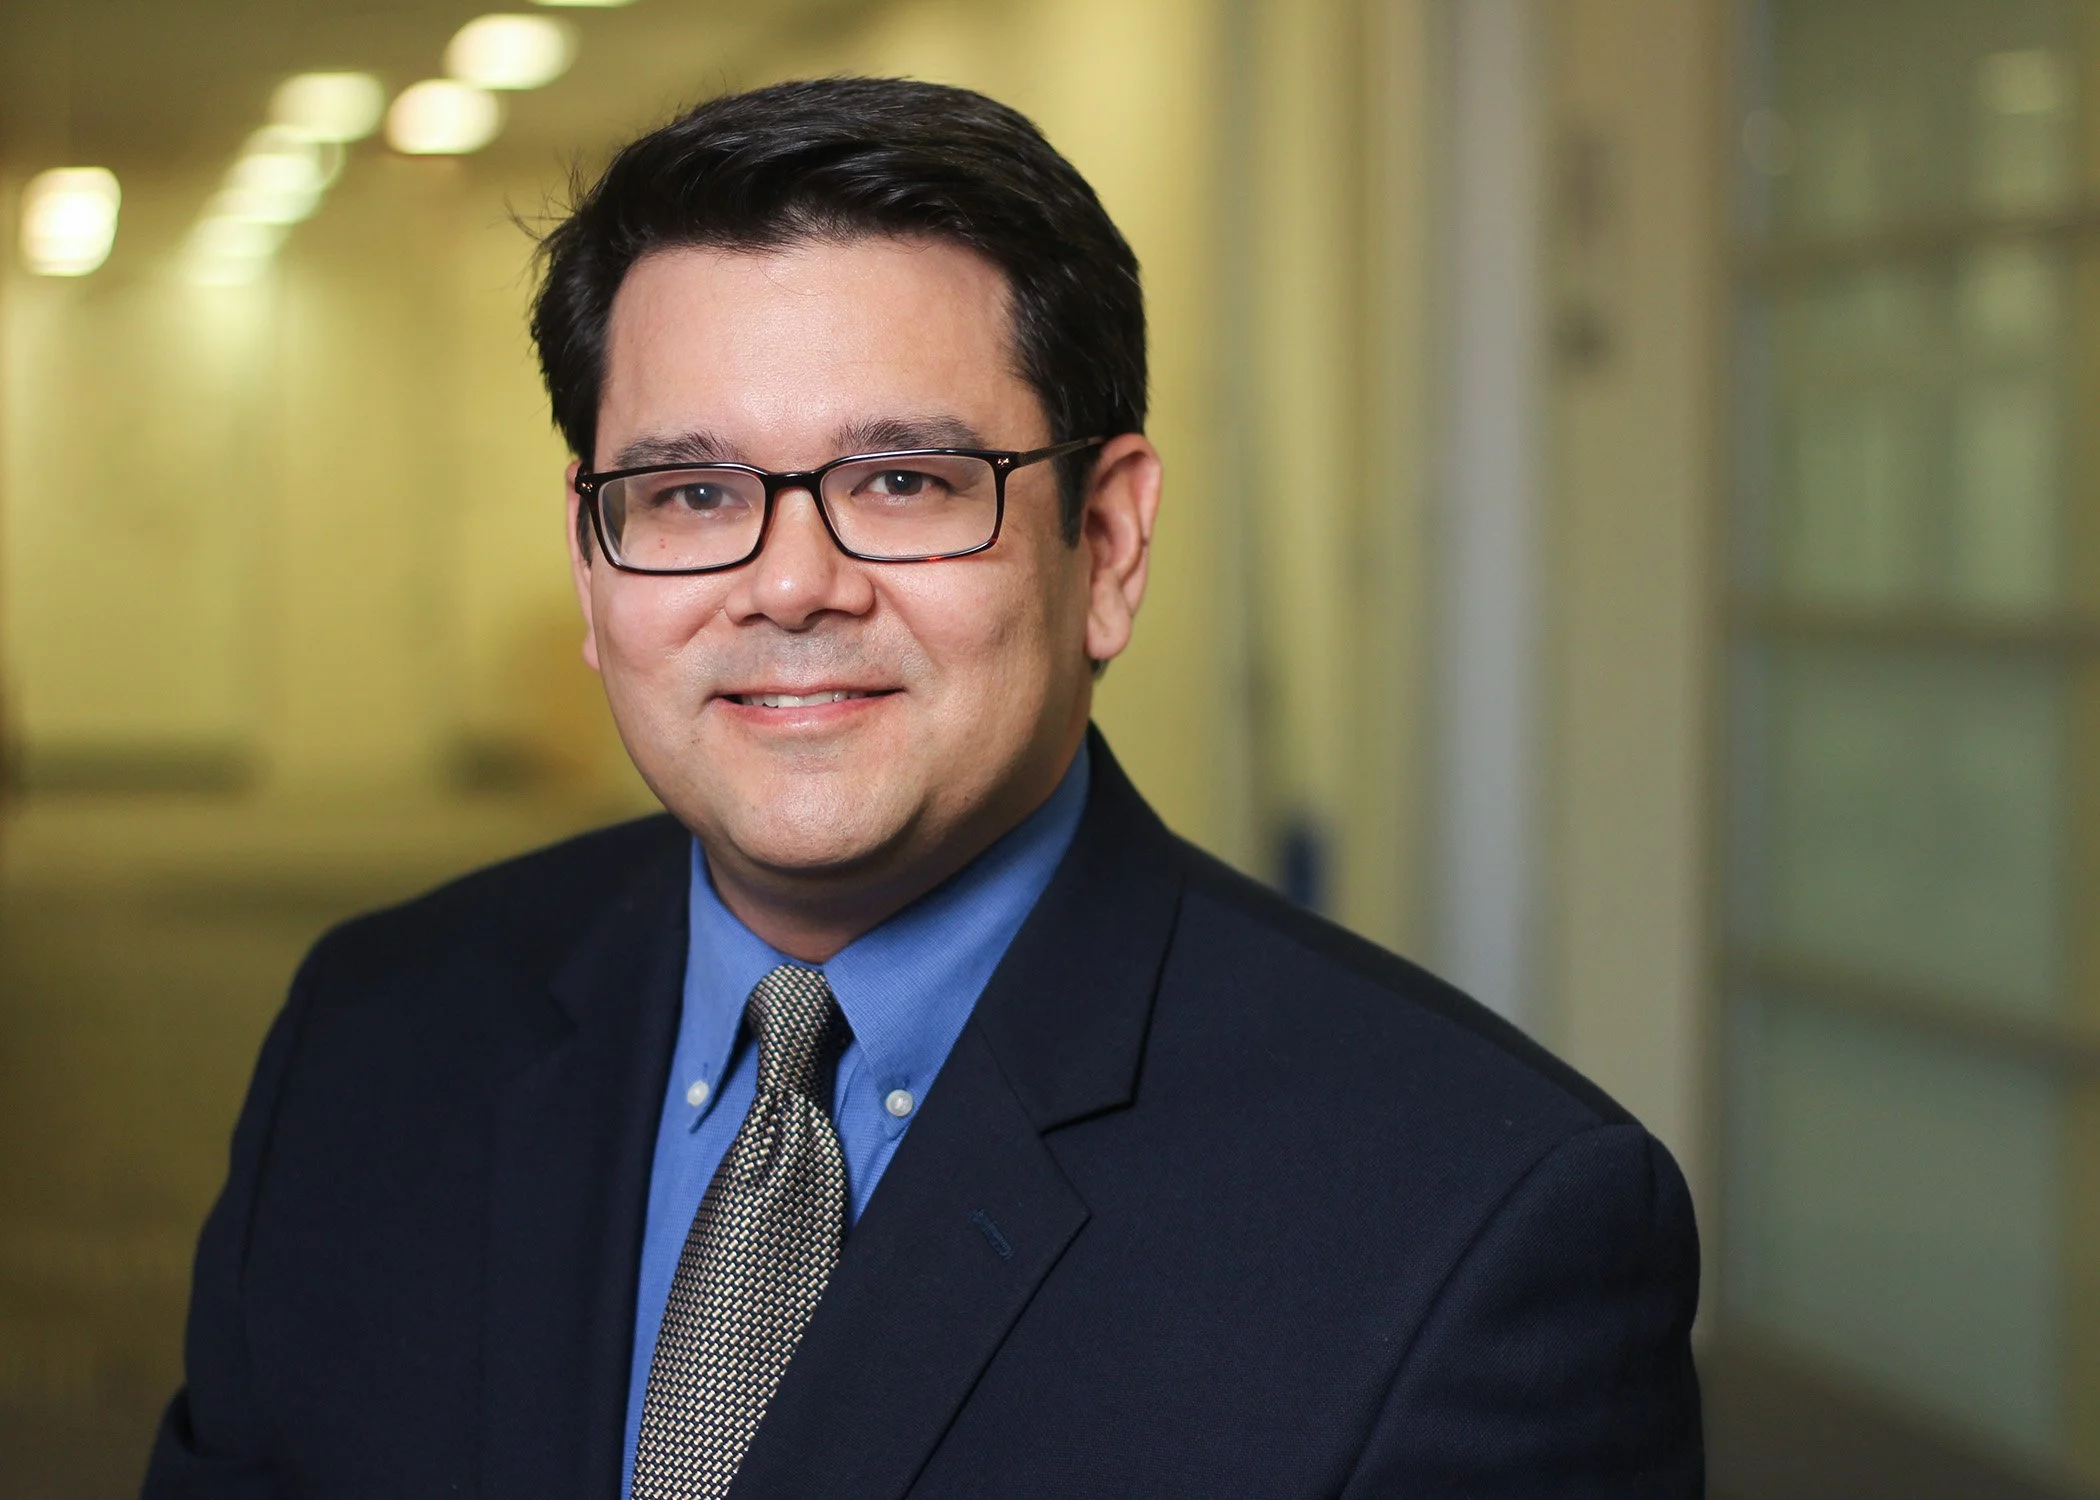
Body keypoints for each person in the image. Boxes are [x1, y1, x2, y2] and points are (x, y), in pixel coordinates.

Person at [144, 77, 1702, 1500]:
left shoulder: (1472, 1225)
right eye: (691, 493)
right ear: (591, 556)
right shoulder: (370, 1041)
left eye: (905, 481)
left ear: (1109, 544)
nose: (791, 583)